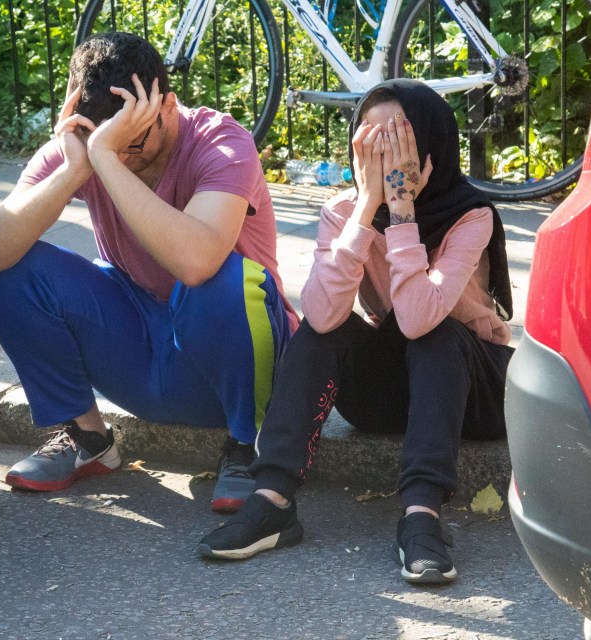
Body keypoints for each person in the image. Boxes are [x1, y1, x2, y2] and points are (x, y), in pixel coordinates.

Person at [0, 32, 298, 513]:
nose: (121, 154)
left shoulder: (223, 142)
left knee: (220, 280)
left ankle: (249, 449)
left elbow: (197, 261)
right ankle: (88, 439)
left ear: (167, 105)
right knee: (14, 271)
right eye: (105, 143)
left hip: (233, 358)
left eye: (131, 141)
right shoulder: (83, 148)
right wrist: (76, 168)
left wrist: (104, 159)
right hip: (143, 348)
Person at [197, 79, 514, 582]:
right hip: (389, 394)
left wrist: (403, 213)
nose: (383, 155)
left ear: (429, 144)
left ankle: (422, 516)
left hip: (469, 391)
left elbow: (418, 317)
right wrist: (367, 210)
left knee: (434, 333)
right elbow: (320, 315)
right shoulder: (344, 210)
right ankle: (272, 499)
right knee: (328, 328)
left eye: (397, 139)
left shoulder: (469, 215)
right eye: (370, 140)